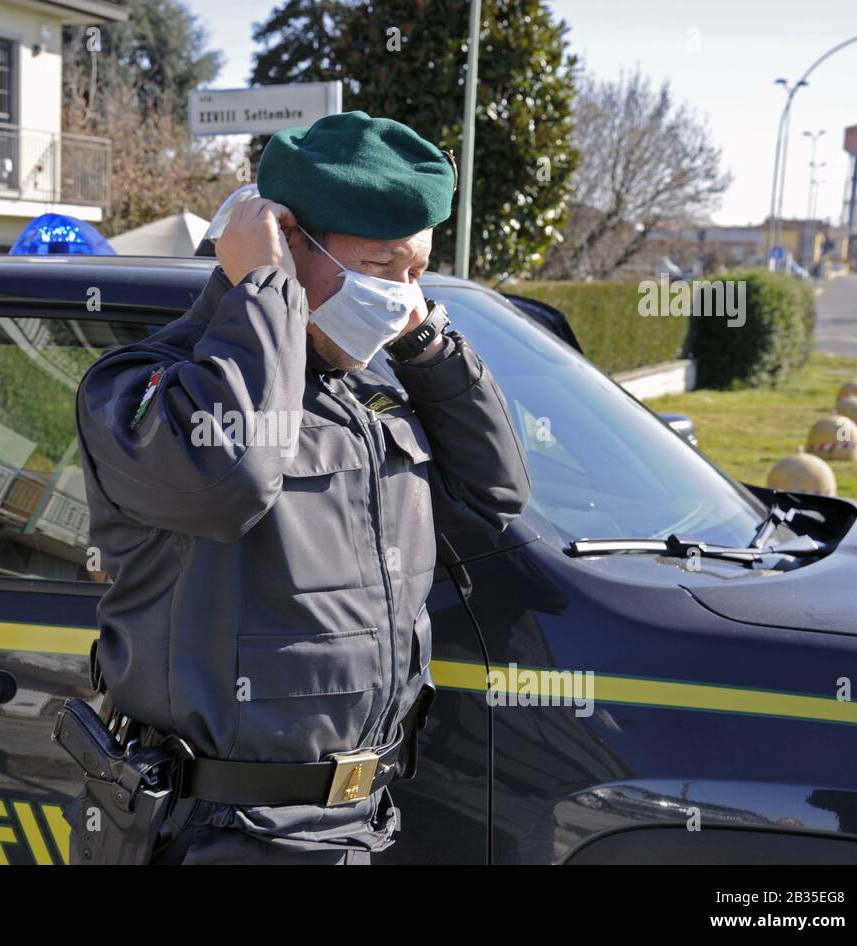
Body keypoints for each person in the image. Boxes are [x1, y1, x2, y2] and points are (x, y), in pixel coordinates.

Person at [70, 110, 530, 864]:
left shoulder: (367, 396)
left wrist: (425, 341)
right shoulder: (143, 391)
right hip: (221, 833)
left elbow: (495, 495)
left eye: (418, 272)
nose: (402, 296)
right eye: (384, 267)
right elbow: (233, 477)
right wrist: (264, 292)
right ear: (284, 240)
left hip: (359, 825)